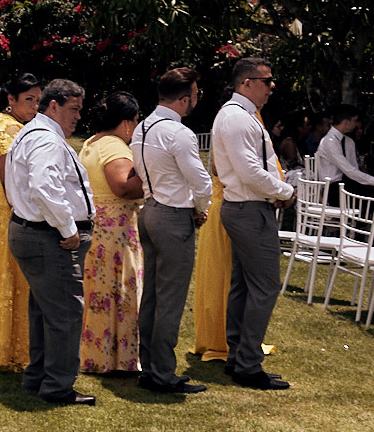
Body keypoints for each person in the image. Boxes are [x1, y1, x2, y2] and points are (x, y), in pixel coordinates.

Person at [5, 78, 96, 405]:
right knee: (64, 313)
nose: (77, 117)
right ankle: (57, 386)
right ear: (53, 105)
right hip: (49, 236)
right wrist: (68, 229)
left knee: (45, 310)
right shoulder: (45, 140)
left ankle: (39, 376)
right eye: (73, 109)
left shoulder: (31, 133)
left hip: (32, 230)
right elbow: (46, 188)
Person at [212, 57, 295, 390]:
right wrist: (285, 191)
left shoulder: (239, 116)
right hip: (248, 208)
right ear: (247, 83)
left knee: (245, 286)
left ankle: (239, 358)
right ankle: (247, 363)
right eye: (267, 80)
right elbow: (249, 172)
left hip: (245, 205)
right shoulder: (237, 118)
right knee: (264, 286)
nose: (272, 86)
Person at [132, 68, 213, 393]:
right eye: (195, 94)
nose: (196, 99)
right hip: (172, 214)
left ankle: (150, 367)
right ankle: (163, 373)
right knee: (170, 298)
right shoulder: (178, 133)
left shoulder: (142, 127)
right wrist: (199, 208)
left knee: (151, 295)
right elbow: (202, 182)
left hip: (149, 210)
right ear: (184, 98)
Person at [0, 73, 41, 372]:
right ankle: (8, 344)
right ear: (11, 99)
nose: (34, 106)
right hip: (4, 205)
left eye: (38, 100)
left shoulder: (3, 122)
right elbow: (8, 176)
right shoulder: (9, 128)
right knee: (8, 271)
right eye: (28, 100)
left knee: (1, 271)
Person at [78, 91, 144, 374]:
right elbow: (123, 186)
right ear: (127, 122)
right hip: (115, 232)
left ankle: (95, 354)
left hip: (99, 229)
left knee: (98, 294)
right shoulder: (115, 147)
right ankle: (117, 359)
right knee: (120, 292)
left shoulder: (91, 143)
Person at [316, 104, 374, 204]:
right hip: (333, 188)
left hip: (348, 185)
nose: (356, 125)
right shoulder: (329, 142)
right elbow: (349, 170)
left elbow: (354, 169)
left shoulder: (349, 142)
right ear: (346, 122)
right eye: (354, 121)